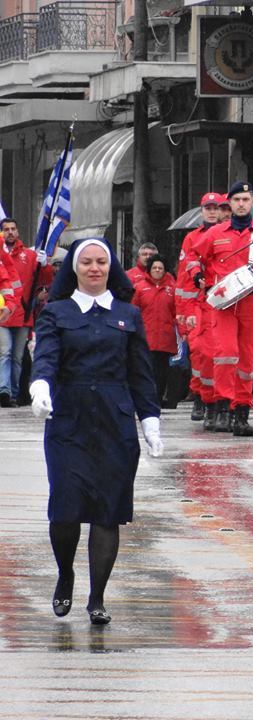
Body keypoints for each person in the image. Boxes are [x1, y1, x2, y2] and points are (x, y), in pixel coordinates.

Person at [30, 238, 163, 625]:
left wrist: (150, 421)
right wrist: (40, 387)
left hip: (114, 422)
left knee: (108, 511)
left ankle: (98, 596)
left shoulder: (128, 314)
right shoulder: (56, 312)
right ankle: (66, 574)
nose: (93, 268)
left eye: (101, 262)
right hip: (69, 421)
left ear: (111, 267)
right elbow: (46, 358)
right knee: (67, 508)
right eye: (86, 262)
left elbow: (140, 373)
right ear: (74, 267)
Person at [185, 181, 253, 436]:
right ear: (230, 204)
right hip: (223, 302)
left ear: (252, 202)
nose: (241, 204)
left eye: (245, 199)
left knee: (246, 359)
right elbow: (192, 256)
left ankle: (241, 412)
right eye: (237, 200)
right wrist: (197, 273)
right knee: (225, 353)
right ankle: (222, 408)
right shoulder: (215, 233)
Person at [176, 192, 222, 425]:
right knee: (200, 354)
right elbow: (184, 279)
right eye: (208, 207)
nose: (212, 211)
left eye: (216, 207)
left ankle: (215, 403)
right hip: (196, 305)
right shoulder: (191, 239)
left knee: (219, 355)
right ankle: (201, 397)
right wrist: (182, 313)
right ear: (202, 211)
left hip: (220, 303)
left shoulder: (228, 235)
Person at [0, 217, 48, 406]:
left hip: (22, 314)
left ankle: (13, 392)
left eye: (13, 229)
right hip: (3, 313)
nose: (10, 232)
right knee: (5, 352)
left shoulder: (29, 256)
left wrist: (44, 264)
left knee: (17, 357)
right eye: (6, 229)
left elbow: (44, 278)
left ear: (18, 232)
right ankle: (3, 391)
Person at [133, 255, 178, 405]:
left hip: (165, 338)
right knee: (145, 370)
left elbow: (177, 312)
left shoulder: (172, 289)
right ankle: (145, 399)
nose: (157, 271)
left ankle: (158, 399)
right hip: (146, 338)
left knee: (162, 371)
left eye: (160, 268)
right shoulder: (139, 288)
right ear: (149, 269)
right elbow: (133, 311)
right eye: (154, 268)